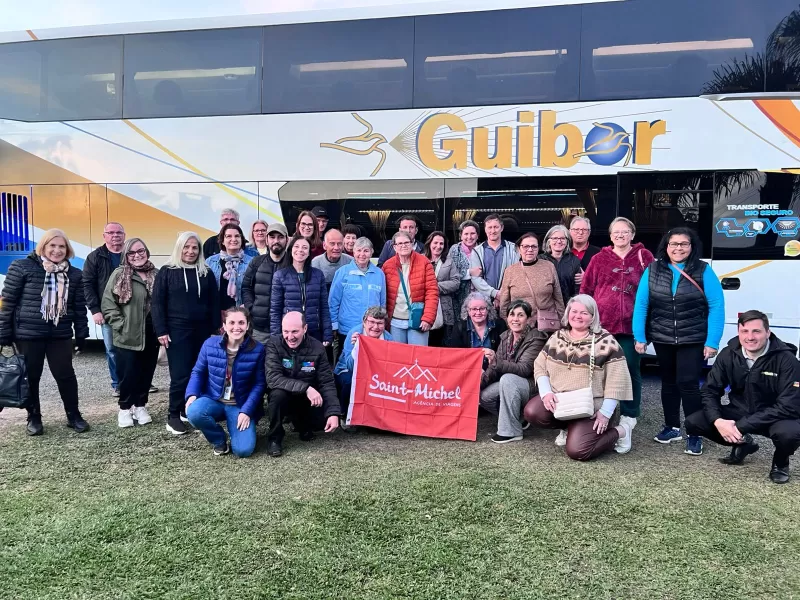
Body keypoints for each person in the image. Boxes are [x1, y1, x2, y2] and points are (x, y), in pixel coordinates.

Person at [633, 227, 724, 456]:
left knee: (688, 384)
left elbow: (716, 306)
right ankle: (672, 427)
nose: (678, 248)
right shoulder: (653, 269)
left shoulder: (703, 270)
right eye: (674, 244)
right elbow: (642, 304)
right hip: (663, 337)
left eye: (684, 244)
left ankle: (695, 432)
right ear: (666, 246)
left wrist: (712, 342)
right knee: (669, 384)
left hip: (692, 338)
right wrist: (640, 336)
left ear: (692, 247)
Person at [686, 310, 800, 484]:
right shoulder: (728, 354)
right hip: (740, 411)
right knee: (694, 422)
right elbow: (710, 390)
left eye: (756, 331)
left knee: (789, 434)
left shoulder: (787, 360)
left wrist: (741, 426)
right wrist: (718, 421)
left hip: (776, 417)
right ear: (738, 332)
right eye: (744, 331)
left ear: (768, 333)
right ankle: (743, 444)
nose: (750, 337)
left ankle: (780, 462)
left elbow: (788, 405)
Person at [0, 229, 89, 435]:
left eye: (62, 246)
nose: (57, 251)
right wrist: (3, 332)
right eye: (52, 246)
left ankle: (73, 415)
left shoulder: (75, 274)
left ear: (67, 249)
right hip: (28, 334)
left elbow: (78, 307)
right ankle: (34, 417)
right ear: (43, 246)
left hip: (60, 334)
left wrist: (82, 333)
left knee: (66, 375)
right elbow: (8, 302)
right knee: (31, 377)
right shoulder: (22, 267)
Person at [523, 295, 634, 459]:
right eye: (574, 311)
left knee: (578, 451)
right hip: (562, 401)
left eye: (584, 313)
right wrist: (546, 393)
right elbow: (540, 365)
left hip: (592, 406)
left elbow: (617, 381)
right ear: (568, 313)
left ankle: (622, 431)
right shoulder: (557, 337)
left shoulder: (606, 342)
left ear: (592, 316)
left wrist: (605, 413)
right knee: (533, 412)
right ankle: (569, 427)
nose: (578, 316)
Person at [580, 217, 654, 438]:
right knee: (600, 369)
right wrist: (586, 320)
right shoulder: (599, 258)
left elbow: (653, 291)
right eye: (616, 232)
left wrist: (648, 327)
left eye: (625, 232)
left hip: (633, 326)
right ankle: (601, 410)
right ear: (610, 236)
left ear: (632, 234)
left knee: (631, 368)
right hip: (603, 326)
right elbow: (586, 290)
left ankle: (630, 413)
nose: (620, 235)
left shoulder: (644, 256)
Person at [152, 232, 221, 436]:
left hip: (202, 331)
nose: (190, 251)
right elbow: (157, 303)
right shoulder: (167, 271)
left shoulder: (205, 272)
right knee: (180, 375)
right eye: (186, 247)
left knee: (198, 372)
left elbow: (213, 302)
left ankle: (186, 409)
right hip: (176, 331)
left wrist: (216, 328)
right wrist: (161, 330)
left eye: (195, 248)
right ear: (179, 248)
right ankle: (173, 415)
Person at [185, 307, 266, 458]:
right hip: (213, 399)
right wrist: (191, 394)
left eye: (241, 322)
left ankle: (236, 430)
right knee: (194, 412)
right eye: (232, 322)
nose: (237, 327)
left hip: (239, 404)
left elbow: (259, 384)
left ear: (247, 325)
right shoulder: (209, 344)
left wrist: (247, 411)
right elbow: (198, 372)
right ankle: (218, 440)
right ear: (224, 325)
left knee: (243, 450)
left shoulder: (258, 349)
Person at [101, 238, 160, 429]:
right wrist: (121, 324)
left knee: (146, 372)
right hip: (127, 334)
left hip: (151, 333)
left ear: (147, 251)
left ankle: (141, 405)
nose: (137, 255)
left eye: (141, 251)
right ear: (126, 256)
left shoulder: (156, 274)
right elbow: (108, 304)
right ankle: (125, 408)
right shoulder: (119, 275)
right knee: (127, 374)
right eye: (132, 253)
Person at [265, 312, 341, 457]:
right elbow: (273, 378)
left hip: (306, 399)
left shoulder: (317, 347)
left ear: (305, 328)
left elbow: (326, 382)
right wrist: (306, 388)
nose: (290, 336)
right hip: (285, 394)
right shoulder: (273, 344)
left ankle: (301, 423)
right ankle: (275, 438)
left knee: (321, 424)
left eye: (295, 331)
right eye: (285, 331)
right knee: (277, 395)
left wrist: (333, 412)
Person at [482, 300, 548, 443]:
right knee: (485, 396)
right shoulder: (505, 336)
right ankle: (519, 418)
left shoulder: (536, 338)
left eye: (520, 315)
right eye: (512, 315)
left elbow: (525, 369)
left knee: (507, 379)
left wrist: (496, 362)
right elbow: (494, 367)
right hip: (511, 383)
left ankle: (511, 431)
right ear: (507, 318)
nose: (515, 319)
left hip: (532, 386)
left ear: (529, 319)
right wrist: (479, 382)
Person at [83, 221, 125, 397]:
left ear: (124, 235)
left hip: (132, 311)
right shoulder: (95, 257)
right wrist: (95, 310)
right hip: (107, 311)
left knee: (135, 349)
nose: (115, 235)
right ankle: (117, 383)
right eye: (111, 232)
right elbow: (87, 284)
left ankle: (138, 380)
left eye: (119, 233)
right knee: (112, 350)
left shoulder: (131, 254)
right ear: (104, 236)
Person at [334, 306, 393, 421]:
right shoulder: (354, 334)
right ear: (364, 322)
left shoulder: (388, 338)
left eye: (380, 323)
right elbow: (350, 366)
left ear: (385, 324)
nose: (375, 327)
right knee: (351, 381)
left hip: (375, 372)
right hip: (347, 370)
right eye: (371, 322)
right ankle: (344, 414)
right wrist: (356, 348)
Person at [270, 236, 332, 345]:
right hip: (290, 333)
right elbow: (275, 309)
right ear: (291, 250)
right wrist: (276, 336)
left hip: (314, 331)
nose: (300, 250)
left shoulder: (318, 275)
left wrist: (327, 333)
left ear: (308, 253)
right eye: (296, 246)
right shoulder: (280, 275)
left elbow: (324, 307)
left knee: (311, 362)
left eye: (304, 247)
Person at [382, 231, 439, 346]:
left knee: (418, 358)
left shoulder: (424, 263)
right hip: (395, 321)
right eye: (400, 243)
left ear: (412, 243)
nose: (403, 246)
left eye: (407, 242)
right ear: (394, 247)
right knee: (398, 358)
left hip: (417, 320)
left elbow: (432, 292)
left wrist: (428, 318)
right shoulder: (387, 266)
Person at [329, 237, 386, 349]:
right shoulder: (343, 272)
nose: (362, 254)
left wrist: (381, 324)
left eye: (366, 250)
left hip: (372, 329)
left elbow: (382, 302)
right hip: (347, 329)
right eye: (359, 250)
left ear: (372, 252)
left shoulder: (379, 274)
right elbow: (333, 301)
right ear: (353, 252)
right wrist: (334, 325)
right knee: (347, 362)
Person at [498, 233, 564, 325]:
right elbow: (504, 304)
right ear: (518, 249)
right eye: (525, 246)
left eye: (534, 246)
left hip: (546, 324)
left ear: (538, 249)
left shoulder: (549, 266)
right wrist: (510, 325)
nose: (530, 250)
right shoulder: (510, 271)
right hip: (520, 325)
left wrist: (562, 322)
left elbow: (558, 298)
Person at [241, 222, 288, 343]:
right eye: (272, 237)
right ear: (266, 240)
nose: (276, 241)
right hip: (259, 329)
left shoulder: (293, 264)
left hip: (286, 330)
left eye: (280, 237)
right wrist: (251, 309)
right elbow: (246, 288)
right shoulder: (256, 262)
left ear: (287, 240)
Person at [469, 214, 519, 308]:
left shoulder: (513, 249)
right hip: (484, 301)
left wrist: (502, 295)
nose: (493, 231)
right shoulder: (477, 251)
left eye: (496, 227)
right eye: (490, 227)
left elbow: (515, 274)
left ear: (502, 228)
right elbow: (476, 278)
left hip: (509, 300)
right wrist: (495, 294)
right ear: (485, 229)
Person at [424, 231, 460, 347]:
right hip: (423, 307)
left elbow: (456, 282)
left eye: (441, 244)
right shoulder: (420, 259)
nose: (438, 246)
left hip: (444, 308)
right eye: (435, 243)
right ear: (429, 243)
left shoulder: (449, 261)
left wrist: (434, 287)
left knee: (441, 343)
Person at [206, 223, 253, 311]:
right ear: (222, 241)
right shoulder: (210, 262)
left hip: (242, 313)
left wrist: (247, 306)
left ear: (241, 239)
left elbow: (256, 290)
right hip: (218, 314)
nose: (233, 239)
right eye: (228, 236)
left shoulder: (252, 262)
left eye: (237, 236)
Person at [540, 225, 582, 304]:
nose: (559, 241)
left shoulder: (574, 261)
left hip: (568, 306)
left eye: (562, 238)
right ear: (548, 241)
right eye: (555, 238)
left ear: (567, 241)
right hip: (546, 308)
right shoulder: (540, 260)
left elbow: (577, 289)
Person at [447, 219, 480, 321]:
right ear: (461, 235)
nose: (469, 237)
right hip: (459, 297)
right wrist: (469, 273)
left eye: (472, 233)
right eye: (466, 234)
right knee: (462, 325)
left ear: (477, 235)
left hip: (480, 296)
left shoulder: (482, 249)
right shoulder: (454, 249)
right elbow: (450, 274)